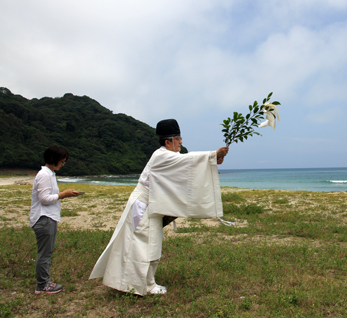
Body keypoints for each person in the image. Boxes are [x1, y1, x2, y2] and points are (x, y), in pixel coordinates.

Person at [89, 119, 229, 296]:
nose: (181, 142)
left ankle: (146, 283)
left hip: (152, 206)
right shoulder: (160, 155)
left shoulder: (169, 157)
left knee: (152, 244)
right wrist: (211, 155)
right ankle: (139, 286)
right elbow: (189, 161)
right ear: (167, 141)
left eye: (180, 138)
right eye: (178, 138)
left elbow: (186, 168)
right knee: (141, 245)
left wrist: (213, 160)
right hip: (143, 206)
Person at [31, 145, 80, 294]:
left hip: (47, 218)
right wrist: (63, 194)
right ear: (54, 159)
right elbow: (44, 199)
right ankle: (43, 284)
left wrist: (64, 194)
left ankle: (44, 283)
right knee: (45, 253)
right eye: (62, 161)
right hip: (44, 218)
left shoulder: (49, 174)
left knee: (46, 252)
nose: (63, 164)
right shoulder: (44, 175)